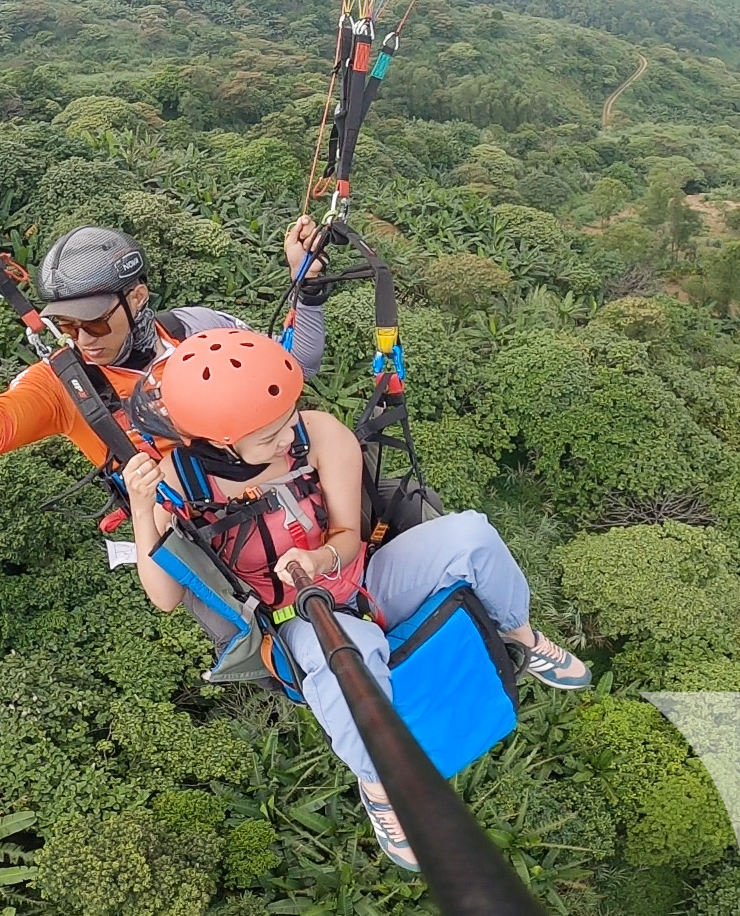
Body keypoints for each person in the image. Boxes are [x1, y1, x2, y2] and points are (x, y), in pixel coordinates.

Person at [121, 328, 590, 872]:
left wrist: (319, 561)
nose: (285, 437)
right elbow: (163, 597)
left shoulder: (315, 434)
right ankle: (381, 784)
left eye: (288, 418)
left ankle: (518, 634)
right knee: (349, 664)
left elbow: (347, 533)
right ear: (220, 442)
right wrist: (141, 507)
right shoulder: (178, 485)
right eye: (267, 435)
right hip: (291, 616)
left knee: (471, 535)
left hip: (355, 576)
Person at [0, 217, 327, 465]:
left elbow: (296, 365)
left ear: (136, 298)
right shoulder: (66, 384)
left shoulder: (197, 329)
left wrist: (305, 286)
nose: (83, 340)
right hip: (212, 545)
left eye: (96, 323)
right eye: (66, 326)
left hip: (282, 484)